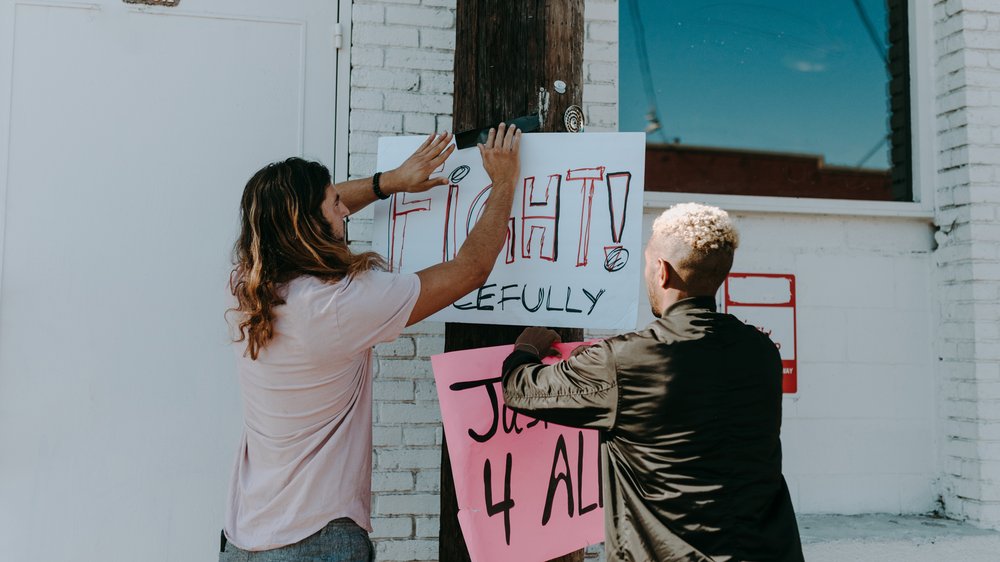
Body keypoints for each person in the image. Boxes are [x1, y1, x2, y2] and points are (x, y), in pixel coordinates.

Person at [221, 124, 521, 561]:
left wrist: (390, 183)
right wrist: (506, 181)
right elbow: (471, 269)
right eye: (335, 205)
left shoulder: (246, 286)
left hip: (243, 537)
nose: (345, 209)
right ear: (308, 223)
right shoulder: (341, 307)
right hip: (314, 539)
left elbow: (301, 209)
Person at [501, 203, 804, 562]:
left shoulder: (625, 361)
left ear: (661, 271)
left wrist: (525, 349)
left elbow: (521, 389)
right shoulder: (761, 352)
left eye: (646, 262)